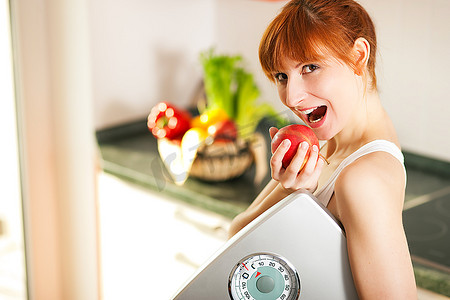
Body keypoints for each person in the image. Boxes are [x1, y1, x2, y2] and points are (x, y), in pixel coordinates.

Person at [228, 0, 417, 298]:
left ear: (358, 57)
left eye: (310, 67)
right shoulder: (328, 147)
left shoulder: (363, 179)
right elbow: (236, 237)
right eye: (282, 76)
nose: (292, 97)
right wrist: (294, 192)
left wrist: (297, 197)